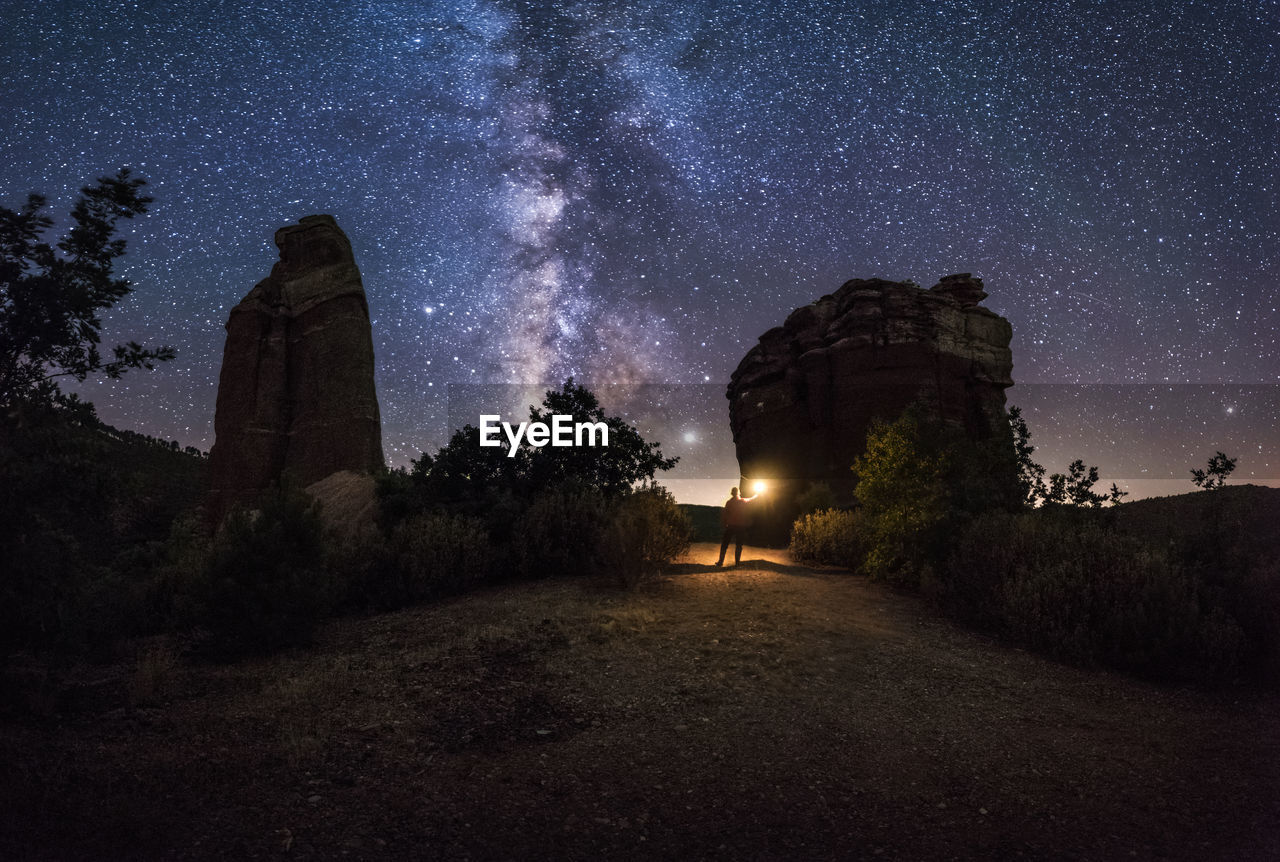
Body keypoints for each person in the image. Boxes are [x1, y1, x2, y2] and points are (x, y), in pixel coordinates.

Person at [716, 485, 758, 567]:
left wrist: (724, 524)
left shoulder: (729, 502)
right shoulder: (742, 501)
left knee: (724, 544)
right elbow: (751, 499)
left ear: (732, 493)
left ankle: (720, 562)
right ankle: (737, 563)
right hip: (740, 527)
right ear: (738, 493)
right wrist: (757, 494)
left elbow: (724, 514)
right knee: (739, 545)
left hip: (730, 526)